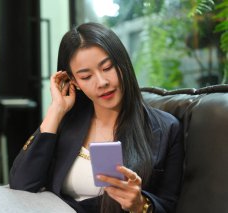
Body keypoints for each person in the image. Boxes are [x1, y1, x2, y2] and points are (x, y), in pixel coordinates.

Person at [9, 22, 184, 213]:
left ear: (123, 63)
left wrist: (141, 204)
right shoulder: (68, 122)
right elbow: (22, 183)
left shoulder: (165, 129)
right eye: (86, 77)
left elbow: (168, 205)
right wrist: (56, 111)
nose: (102, 82)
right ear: (74, 82)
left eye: (107, 67)